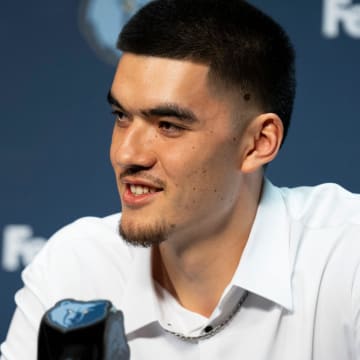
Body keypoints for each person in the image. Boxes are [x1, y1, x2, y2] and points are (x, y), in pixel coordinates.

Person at [2, 0, 360, 359]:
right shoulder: (76, 267)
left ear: (258, 143)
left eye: (169, 126)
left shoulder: (346, 255)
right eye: (122, 116)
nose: (127, 154)